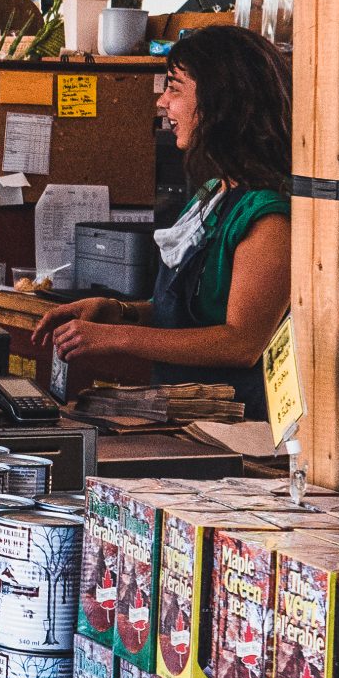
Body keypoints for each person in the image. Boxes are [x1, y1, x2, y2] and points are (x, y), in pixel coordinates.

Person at [34, 25, 292, 415]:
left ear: (221, 101)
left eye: (174, 89)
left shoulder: (269, 216)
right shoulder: (214, 193)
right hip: (187, 417)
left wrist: (117, 338)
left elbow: (240, 343)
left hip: (239, 427)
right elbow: (188, 312)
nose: (161, 101)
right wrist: (119, 311)